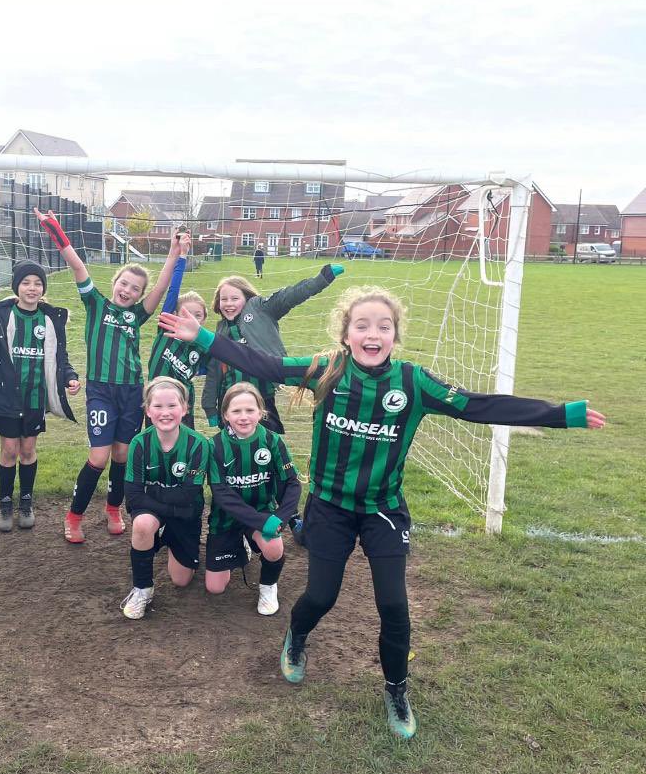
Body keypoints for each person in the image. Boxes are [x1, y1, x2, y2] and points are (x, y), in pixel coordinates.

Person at [160, 285, 606, 741]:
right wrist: (204, 338)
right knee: (321, 597)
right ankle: (296, 639)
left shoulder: (413, 383)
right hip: (331, 509)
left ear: (395, 335)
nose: (373, 333)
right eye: (363, 325)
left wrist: (560, 414)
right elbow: (265, 365)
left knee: (394, 606)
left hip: (384, 511)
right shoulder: (325, 369)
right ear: (346, 333)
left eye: (383, 326)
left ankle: (396, 690)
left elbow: (478, 405)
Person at [33, 208, 187, 544]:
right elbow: (76, 264)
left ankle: (114, 508)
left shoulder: (138, 315)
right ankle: (74, 517)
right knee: (99, 457)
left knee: (121, 455)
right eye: (124, 284)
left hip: (132, 392)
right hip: (101, 391)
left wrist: (175, 253)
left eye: (135, 288)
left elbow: (160, 287)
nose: (128, 290)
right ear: (114, 283)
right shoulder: (96, 304)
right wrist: (55, 228)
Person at [0, 259, 80, 531]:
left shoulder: (50, 320)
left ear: (43, 288)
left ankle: (26, 501)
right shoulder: (2, 315)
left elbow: (60, 358)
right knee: (9, 450)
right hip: (5, 398)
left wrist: (70, 377)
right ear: (16, 287)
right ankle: (6, 503)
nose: (32, 288)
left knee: (28, 450)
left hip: (34, 398)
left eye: (37, 283)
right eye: (26, 282)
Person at [200, 264, 343, 433]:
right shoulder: (220, 332)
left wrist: (321, 280)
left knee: (267, 442)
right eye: (224, 299)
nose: (228, 304)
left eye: (234, 298)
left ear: (246, 298)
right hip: (231, 400)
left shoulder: (260, 309)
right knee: (233, 448)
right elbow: (214, 373)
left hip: (262, 397)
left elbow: (288, 296)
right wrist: (210, 408)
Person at [204, 382, 301, 615]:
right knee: (214, 588)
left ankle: (268, 586)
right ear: (225, 414)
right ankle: (243, 544)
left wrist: (280, 517)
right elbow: (222, 494)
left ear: (261, 411)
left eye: (250, 410)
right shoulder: (215, 445)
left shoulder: (272, 441)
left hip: (262, 510)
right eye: (236, 411)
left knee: (274, 546)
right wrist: (261, 521)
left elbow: (292, 483)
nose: (244, 417)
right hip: (225, 518)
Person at [121, 378, 211, 618]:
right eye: (158, 406)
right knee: (142, 524)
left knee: (181, 581)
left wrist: (151, 492)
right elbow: (131, 495)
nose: (165, 412)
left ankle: (168, 538)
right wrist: (170, 507)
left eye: (172, 405)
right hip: (170, 511)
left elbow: (188, 494)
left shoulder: (198, 444)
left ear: (185, 408)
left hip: (186, 515)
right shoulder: (139, 443)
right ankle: (143, 589)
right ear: (148, 410)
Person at [147, 290, 209, 429]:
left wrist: (199, 370)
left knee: (185, 447)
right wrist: (178, 266)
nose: (191, 319)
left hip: (184, 406)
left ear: (204, 319)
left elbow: (213, 367)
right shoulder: (166, 331)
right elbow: (172, 289)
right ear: (174, 315)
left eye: (197, 315)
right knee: (155, 446)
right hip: (157, 403)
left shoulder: (202, 347)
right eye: (186, 314)